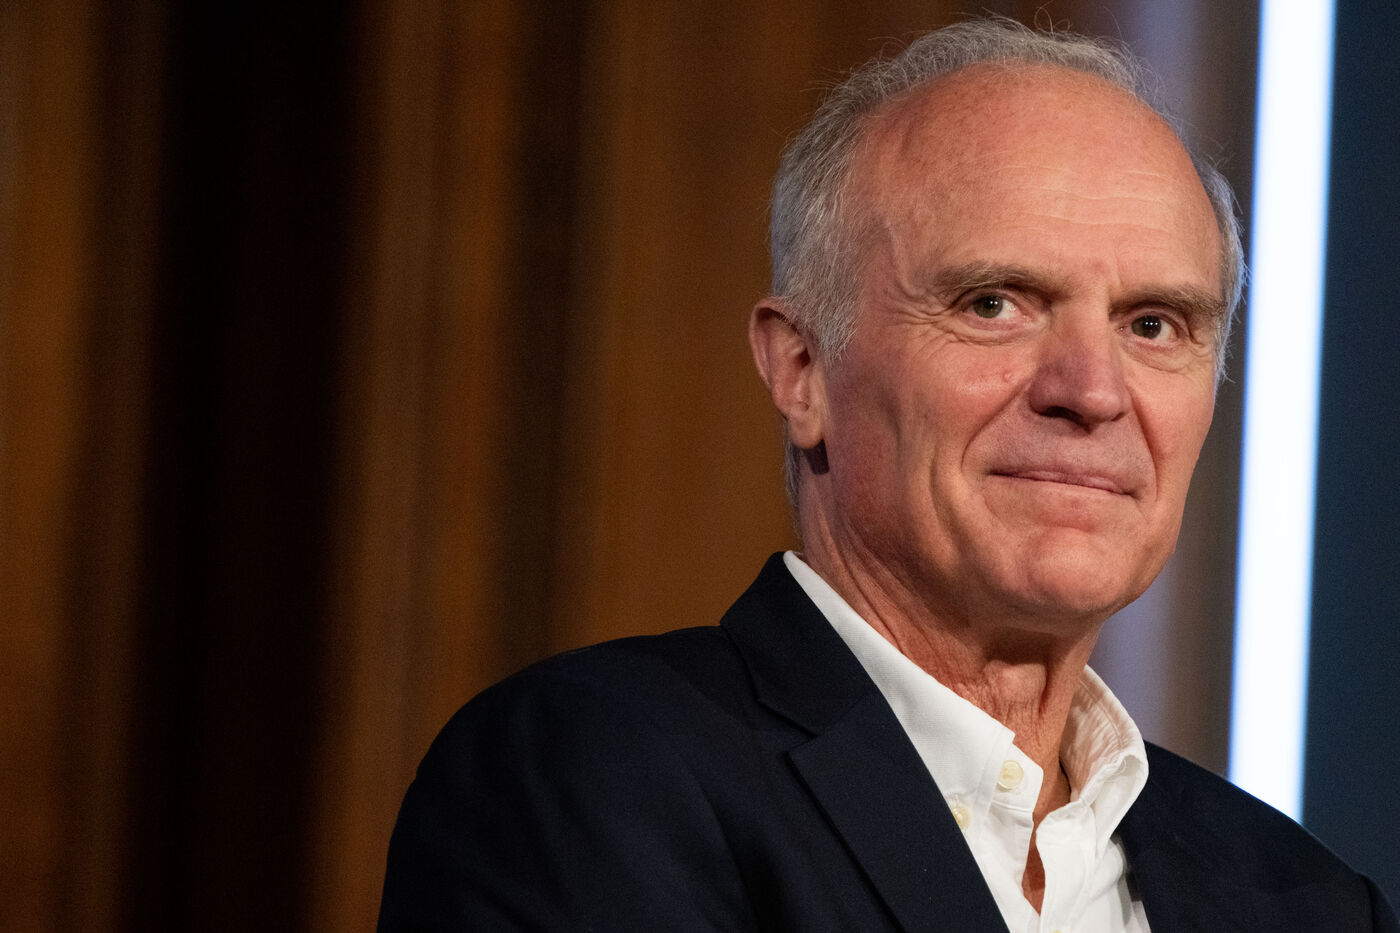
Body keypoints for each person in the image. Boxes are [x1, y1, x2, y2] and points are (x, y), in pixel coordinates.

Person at [378, 18, 1399, 932]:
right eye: (994, 303)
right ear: (801, 369)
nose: (1091, 391)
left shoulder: (1307, 902)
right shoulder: (598, 778)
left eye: (1154, 324)